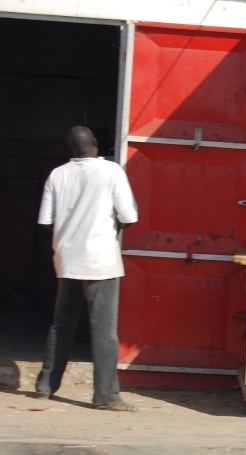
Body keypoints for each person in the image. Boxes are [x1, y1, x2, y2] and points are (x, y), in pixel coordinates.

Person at [35, 125, 139, 412]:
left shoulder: (58, 174)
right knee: (103, 330)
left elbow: (46, 221)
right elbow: (129, 216)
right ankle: (106, 396)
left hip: (67, 259)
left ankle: (45, 386)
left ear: (70, 148)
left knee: (61, 323)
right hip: (100, 260)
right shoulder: (111, 171)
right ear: (95, 143)